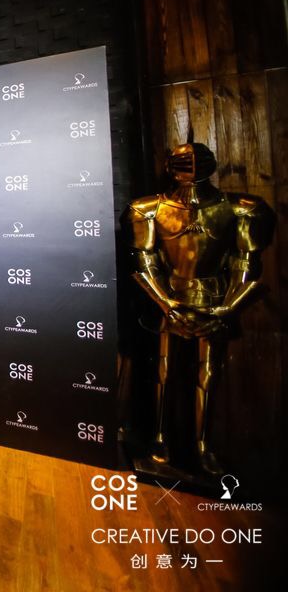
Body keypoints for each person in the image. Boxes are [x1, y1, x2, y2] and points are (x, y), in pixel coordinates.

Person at [129, 142, 274, 477]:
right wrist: (165, 302)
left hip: (215, 297)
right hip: (170, 296)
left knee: (208, 374)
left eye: (198, 161)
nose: (192, 166)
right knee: (164, 371)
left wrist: (228, 308)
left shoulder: (241, 209)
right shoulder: (147, 209)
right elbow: (145, 262)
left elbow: (246, 263)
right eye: (185, 161)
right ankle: (160, 439)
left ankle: (203, 446)